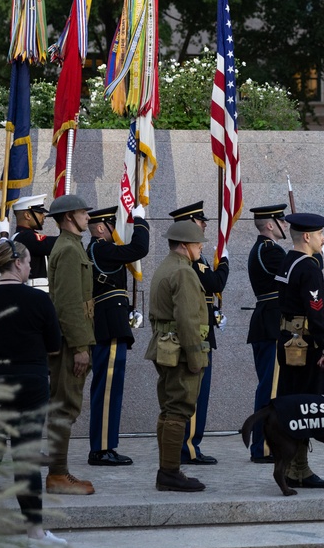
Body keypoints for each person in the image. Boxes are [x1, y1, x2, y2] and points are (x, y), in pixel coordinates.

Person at [0, 241, 67, 546]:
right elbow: (54, 346)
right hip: (30, 386)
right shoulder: (39, 299)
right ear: (18, 263)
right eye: (29, 261)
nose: (31, 267)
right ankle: (35, 533)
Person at [145, 220, 209, 492]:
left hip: (166, 347)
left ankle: (167, 470)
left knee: (169, 408)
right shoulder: (183, 272)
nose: (201, 247)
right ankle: (169, 472)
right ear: (184, 245)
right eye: (197, 243)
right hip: (181, 352)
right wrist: (195, 358)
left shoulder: (166, 266)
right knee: (178, 409)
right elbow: (187, 319)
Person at [85, 204, 150, 467]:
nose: (116, 230)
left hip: (113, 321)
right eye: (113, 225)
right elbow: (139, 249)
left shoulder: (102, 250)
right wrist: (140, 221)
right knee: (108, 388)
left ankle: (105, 445)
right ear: (102, 228)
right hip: (109, 325)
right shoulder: (100, 248)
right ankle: (101, 449)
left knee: (110, 388)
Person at [273, 212, 324, 490]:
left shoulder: (288, 260)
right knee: (306, 405)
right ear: (307, 237)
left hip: (288, 341)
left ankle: (290, 466)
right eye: (320, 234)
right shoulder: (309, 268)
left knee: (292, 402)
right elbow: (317, 312)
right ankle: (299, 468)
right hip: (307, 345)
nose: (323, 238)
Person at [169, 201, 229, 466]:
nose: (204, 224)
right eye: (200, 220)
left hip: (204, 330)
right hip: (197, 335)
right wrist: (224, 261)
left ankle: (191, 444)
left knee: (199, 394)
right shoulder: (190, 262)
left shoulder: (196, 259)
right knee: (195, 394)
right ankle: (189, 447)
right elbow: (215, 282)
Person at [44, 194, 96, 495]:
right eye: (82, 212)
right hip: (70, 343)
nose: (87, 217)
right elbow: (68, 304)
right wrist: (80, 347)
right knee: (64, 408)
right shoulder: (67, 249)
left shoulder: (73, 246)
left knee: (66, 407)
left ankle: (59, 472)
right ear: (68, 217)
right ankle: (57, 475)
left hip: (75, 339)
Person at [246, 204, 288, 463]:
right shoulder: (269, 250)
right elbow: (295, 273)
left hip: (268, 323)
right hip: (271, 324)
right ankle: (262, 447)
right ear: (271, 225)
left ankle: (267, 444)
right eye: (282, 220)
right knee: (270, 390)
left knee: (272, 388)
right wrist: (314, 255)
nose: (286, 224)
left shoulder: (265, 249)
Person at [12, 194, 54, 293]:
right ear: (27, 215)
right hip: (33, 291)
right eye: (40, 213)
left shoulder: (27, 236)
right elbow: (52, 244)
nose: (43, 216)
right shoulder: (24, 237)